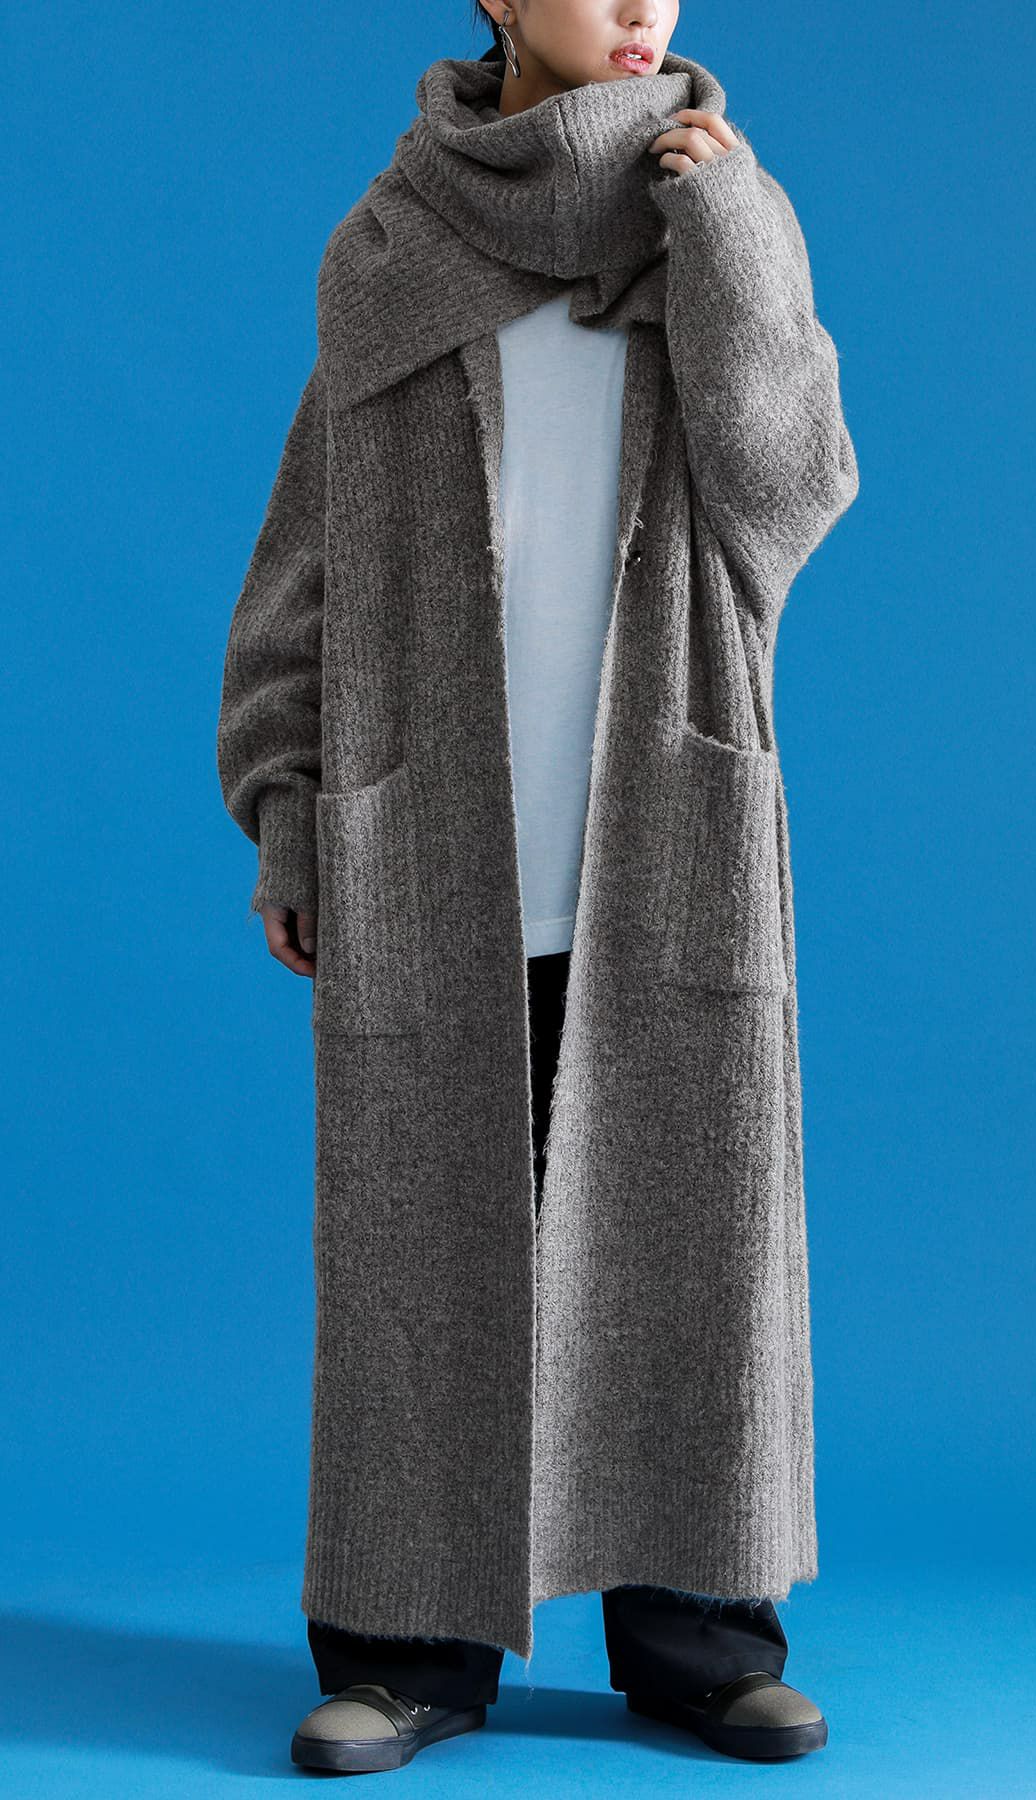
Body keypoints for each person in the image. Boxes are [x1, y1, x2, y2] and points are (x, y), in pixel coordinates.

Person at [217, 0, 858, 1775]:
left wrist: (730, 241)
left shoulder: (720, 211)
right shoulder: (393, 243)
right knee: (417, 1255)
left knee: (692, 1234)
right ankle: (405, 1649)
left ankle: (702, 1638)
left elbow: (793, 497)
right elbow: (304, 558)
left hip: (664, 827)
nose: (642, 5)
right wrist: (289, 804)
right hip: (431, 840)